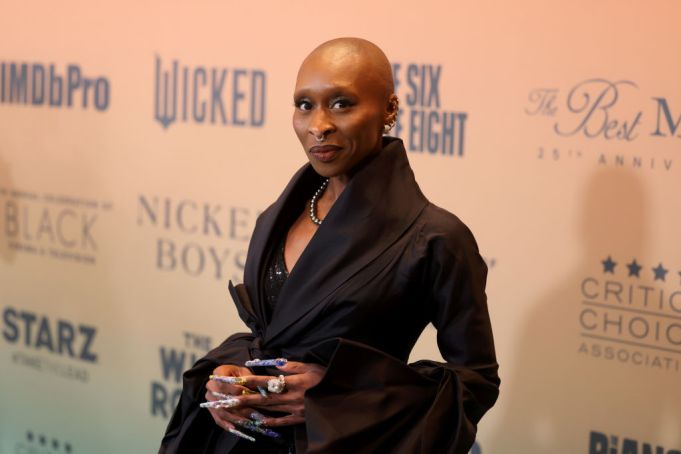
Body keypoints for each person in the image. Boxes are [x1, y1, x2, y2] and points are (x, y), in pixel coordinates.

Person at [159, 37, 499, 454]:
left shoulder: (436, 238)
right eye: (305, 105)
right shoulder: (276, 217)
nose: (318, 124)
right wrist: (230, 375)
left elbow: (475, 382)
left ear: (389, 109)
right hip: (245, 443)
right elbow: (269, 339)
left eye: (341, 103)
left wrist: (343, 396)